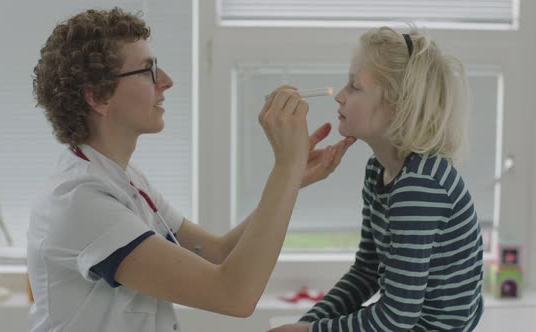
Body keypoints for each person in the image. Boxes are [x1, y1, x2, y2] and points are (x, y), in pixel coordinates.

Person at [27, 7, 355, 332]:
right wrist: (286, 166)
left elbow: (220, 252)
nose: (167, 81)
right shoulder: (79, 201)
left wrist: (291, 180)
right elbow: (234, 295)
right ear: (98, 97)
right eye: (147, 71)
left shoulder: (125, 180)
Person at [270, 26, 484, 332]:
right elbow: (367, 271)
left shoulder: (420, 187)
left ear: (399, 107)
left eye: (355, 86)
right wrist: (308, 322)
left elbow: (396, 319)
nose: (340, 97)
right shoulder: (377, 171)